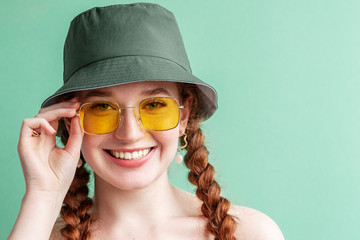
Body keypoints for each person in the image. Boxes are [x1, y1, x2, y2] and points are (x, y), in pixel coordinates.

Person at [8, 3, 284, 240]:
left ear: (183, 116)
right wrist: (44, 195)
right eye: (102, 107)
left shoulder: (250, 233)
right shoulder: (39, 232)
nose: (129, 133)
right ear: (70, 123)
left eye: (154, 105)